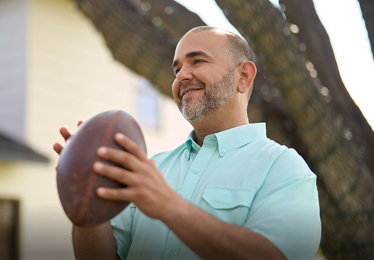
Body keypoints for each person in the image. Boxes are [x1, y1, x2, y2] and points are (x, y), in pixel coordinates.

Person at [54, 26, 321, 260]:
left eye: (197, 61)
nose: (181, 75)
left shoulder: (284, 168)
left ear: (244, 77)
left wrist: (168, 206)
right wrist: (85, 205)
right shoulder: (150, 168)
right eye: (177, 68)